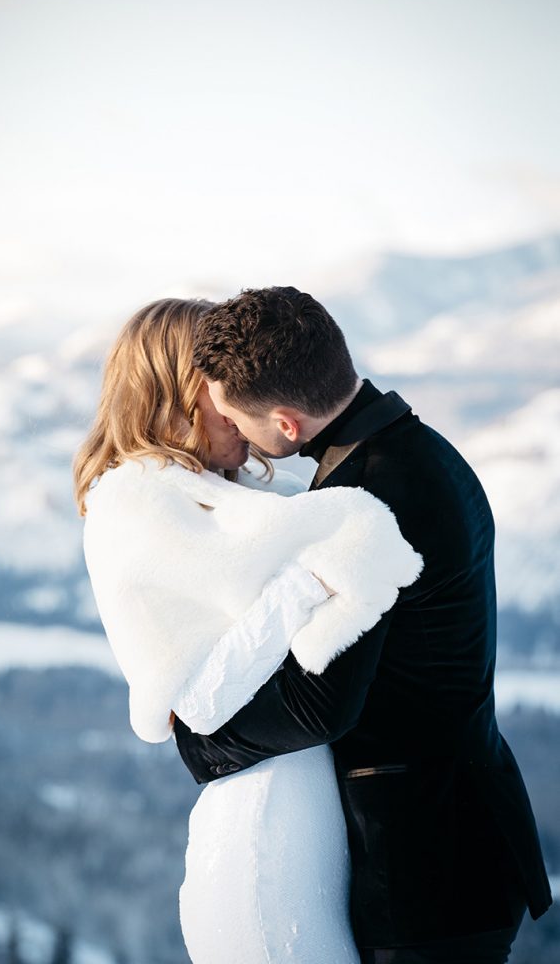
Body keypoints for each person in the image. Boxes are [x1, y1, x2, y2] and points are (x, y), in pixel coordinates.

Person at [174, 285, 553, 964]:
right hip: (467, 833)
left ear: (286, 423)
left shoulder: (363, 498)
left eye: (234, 416)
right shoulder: (420, 450)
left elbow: (321, 704)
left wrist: (200, 741)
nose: (231, 431)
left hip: (422, 869)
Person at [73, 297, 425, 964]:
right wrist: (314, 575)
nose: (243, 403)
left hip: (315, 819)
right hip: (265, 832)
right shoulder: (139, 506)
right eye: (225, 387)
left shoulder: (235, 500)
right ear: (177, 395)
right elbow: (195, 702)